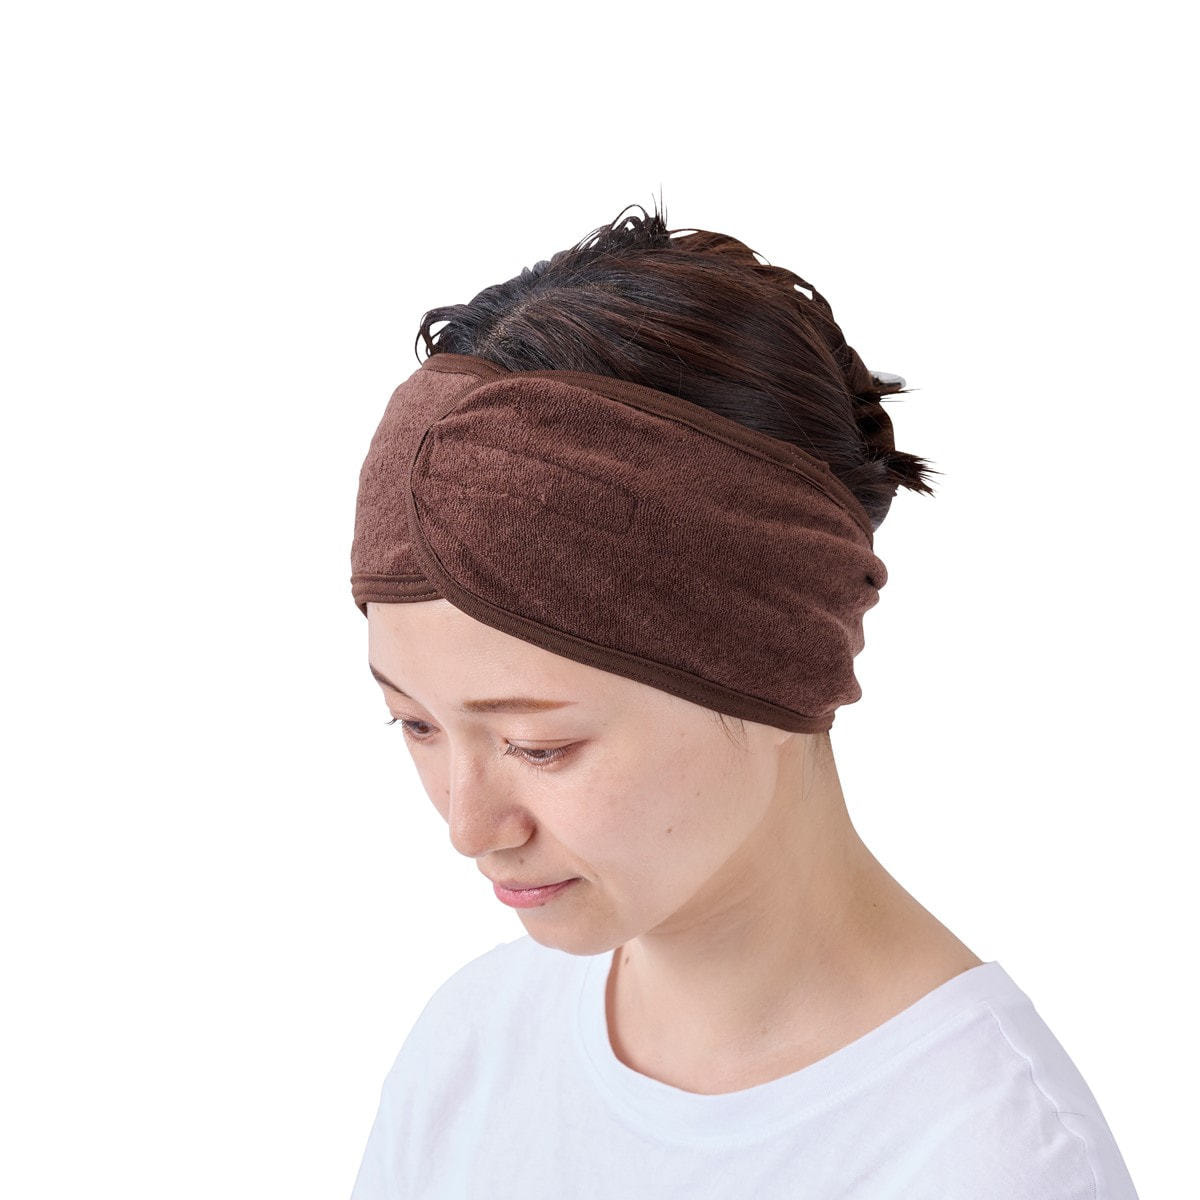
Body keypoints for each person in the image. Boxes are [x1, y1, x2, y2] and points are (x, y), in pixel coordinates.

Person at [347, 201, 1140, 1198]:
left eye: (540, 746)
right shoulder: (472, 1048)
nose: (468, 828)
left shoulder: (987, 1163)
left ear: (768, 674)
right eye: (415, 724)